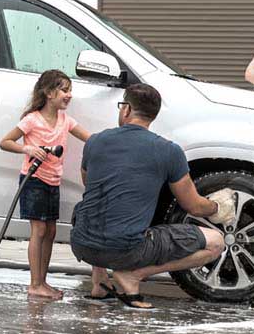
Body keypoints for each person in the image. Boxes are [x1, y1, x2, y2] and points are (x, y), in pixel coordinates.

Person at [70, 83, 236, 309]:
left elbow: (90, 185)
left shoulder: (95, 141)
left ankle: (99, 282)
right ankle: (135, 275)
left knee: (88, 206)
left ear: (126, 109)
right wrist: (219, 207)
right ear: (153, 115)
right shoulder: (169, 151)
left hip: (81, 244)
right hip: (126, 252)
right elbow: (194, 207)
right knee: (215, 243)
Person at [0, 69, 91, 299]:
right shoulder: (32, 120)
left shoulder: (65, 120)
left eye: (70, 90)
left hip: (53, 181)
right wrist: (27, 148)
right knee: (38, 230)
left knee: (50, 231)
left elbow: (90, 138)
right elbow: (5, 142)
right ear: (49, 93)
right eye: (64, 90)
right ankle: (34, 283)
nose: (69, 95)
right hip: (33, 180)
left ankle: (43, 281)